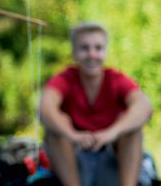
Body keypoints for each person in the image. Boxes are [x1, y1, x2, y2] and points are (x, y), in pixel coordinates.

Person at [39, 22, 153, 186]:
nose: (92, 54)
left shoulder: (116, 79)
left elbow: (144, 106)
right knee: (56, 128)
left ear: (105, 52)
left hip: (112, 158)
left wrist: (111, 133)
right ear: (74, 53)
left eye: (98, 48)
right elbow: (45, 108)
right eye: (84, 48)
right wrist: (74, 135)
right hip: (73, 160)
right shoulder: (65, 79)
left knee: (132, 129)